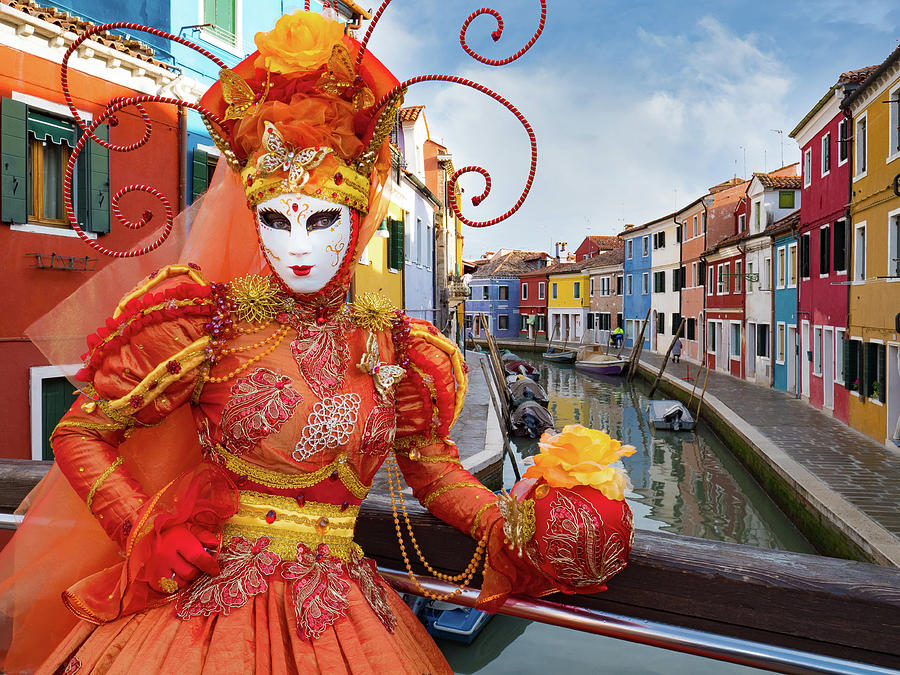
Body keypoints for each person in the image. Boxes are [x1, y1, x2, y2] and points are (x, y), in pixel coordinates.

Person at [0, 9, 633, 674]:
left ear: (357, 218)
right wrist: (142, 525)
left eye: (322, 220)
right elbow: (81, 430)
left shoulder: (396, 347)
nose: (297, 247)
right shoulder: (207, 324)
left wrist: (515, 526)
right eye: (275, 219)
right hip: (205, 614)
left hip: (345, 617)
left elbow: (433, 469)